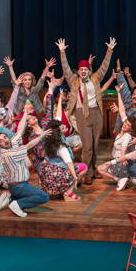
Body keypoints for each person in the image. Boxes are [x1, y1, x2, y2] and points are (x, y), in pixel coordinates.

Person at [56, 37, 116, 185]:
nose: (83, 71)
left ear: (89, 70)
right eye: (81, 69)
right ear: (78, 71)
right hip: (81, 114)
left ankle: (94, 169)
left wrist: (109, 51)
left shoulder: (95, 78)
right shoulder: (73, 80)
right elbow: (66, 68)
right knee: (87, 146)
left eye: (86, 69)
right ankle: (86, 172)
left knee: (95, 145)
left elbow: (104, 67)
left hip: (96, 113)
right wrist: (62, 52)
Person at [0, 118, 52, 217]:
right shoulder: (8, 153)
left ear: (9, 138)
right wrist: (41, 136)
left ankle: (10, 197)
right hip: (19, 186)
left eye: (5, 137)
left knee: (32, 192)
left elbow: (19, 131)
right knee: (44, 196)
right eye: (1, 141)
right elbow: (28, 146)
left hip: (15, 186)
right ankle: (17, 204)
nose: (4, 140)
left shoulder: (11, 146)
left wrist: (25, 114)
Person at [97, 83, 136, 191]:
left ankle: (120, 178)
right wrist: (118, 93)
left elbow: (123, 148)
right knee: (103, 168)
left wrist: (122, 156)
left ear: (131, 129)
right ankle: (126, 178)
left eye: (127, 125)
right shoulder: (123, 129)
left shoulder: (127, 135)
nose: (125, 124)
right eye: (125, 123)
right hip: (119, 161)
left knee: (100, 168)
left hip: (122, 163)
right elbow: (122, 111)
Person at [38, 120, 88, 201]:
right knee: (84, 167)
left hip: (46, 177)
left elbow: (57, 119)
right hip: (55, 176)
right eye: (63, 127)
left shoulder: (49, 141)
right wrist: (75, 177)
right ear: (59, 132)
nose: (65, 126)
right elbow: (69, 163)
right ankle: (68, 192)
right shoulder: (61, 146)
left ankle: (53, 190)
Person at [4, 56, 56, 125]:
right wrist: (10, 67)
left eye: (29, 79)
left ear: (32, 81)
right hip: (20, 117)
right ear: (22, 81)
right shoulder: (19, 90)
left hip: (33, 117)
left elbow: (42, 79)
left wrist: (47, 67)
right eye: (25, 80)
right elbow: (14, 81)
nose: (27, 81)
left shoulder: (34, 90)